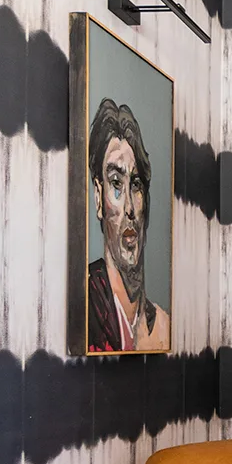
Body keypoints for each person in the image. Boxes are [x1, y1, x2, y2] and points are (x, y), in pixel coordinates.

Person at [87, 98, 170, 352]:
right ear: (99, 198)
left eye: (135, 185)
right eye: (115, 183)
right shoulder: (87, 303)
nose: (129, 209)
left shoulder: (163, 326)